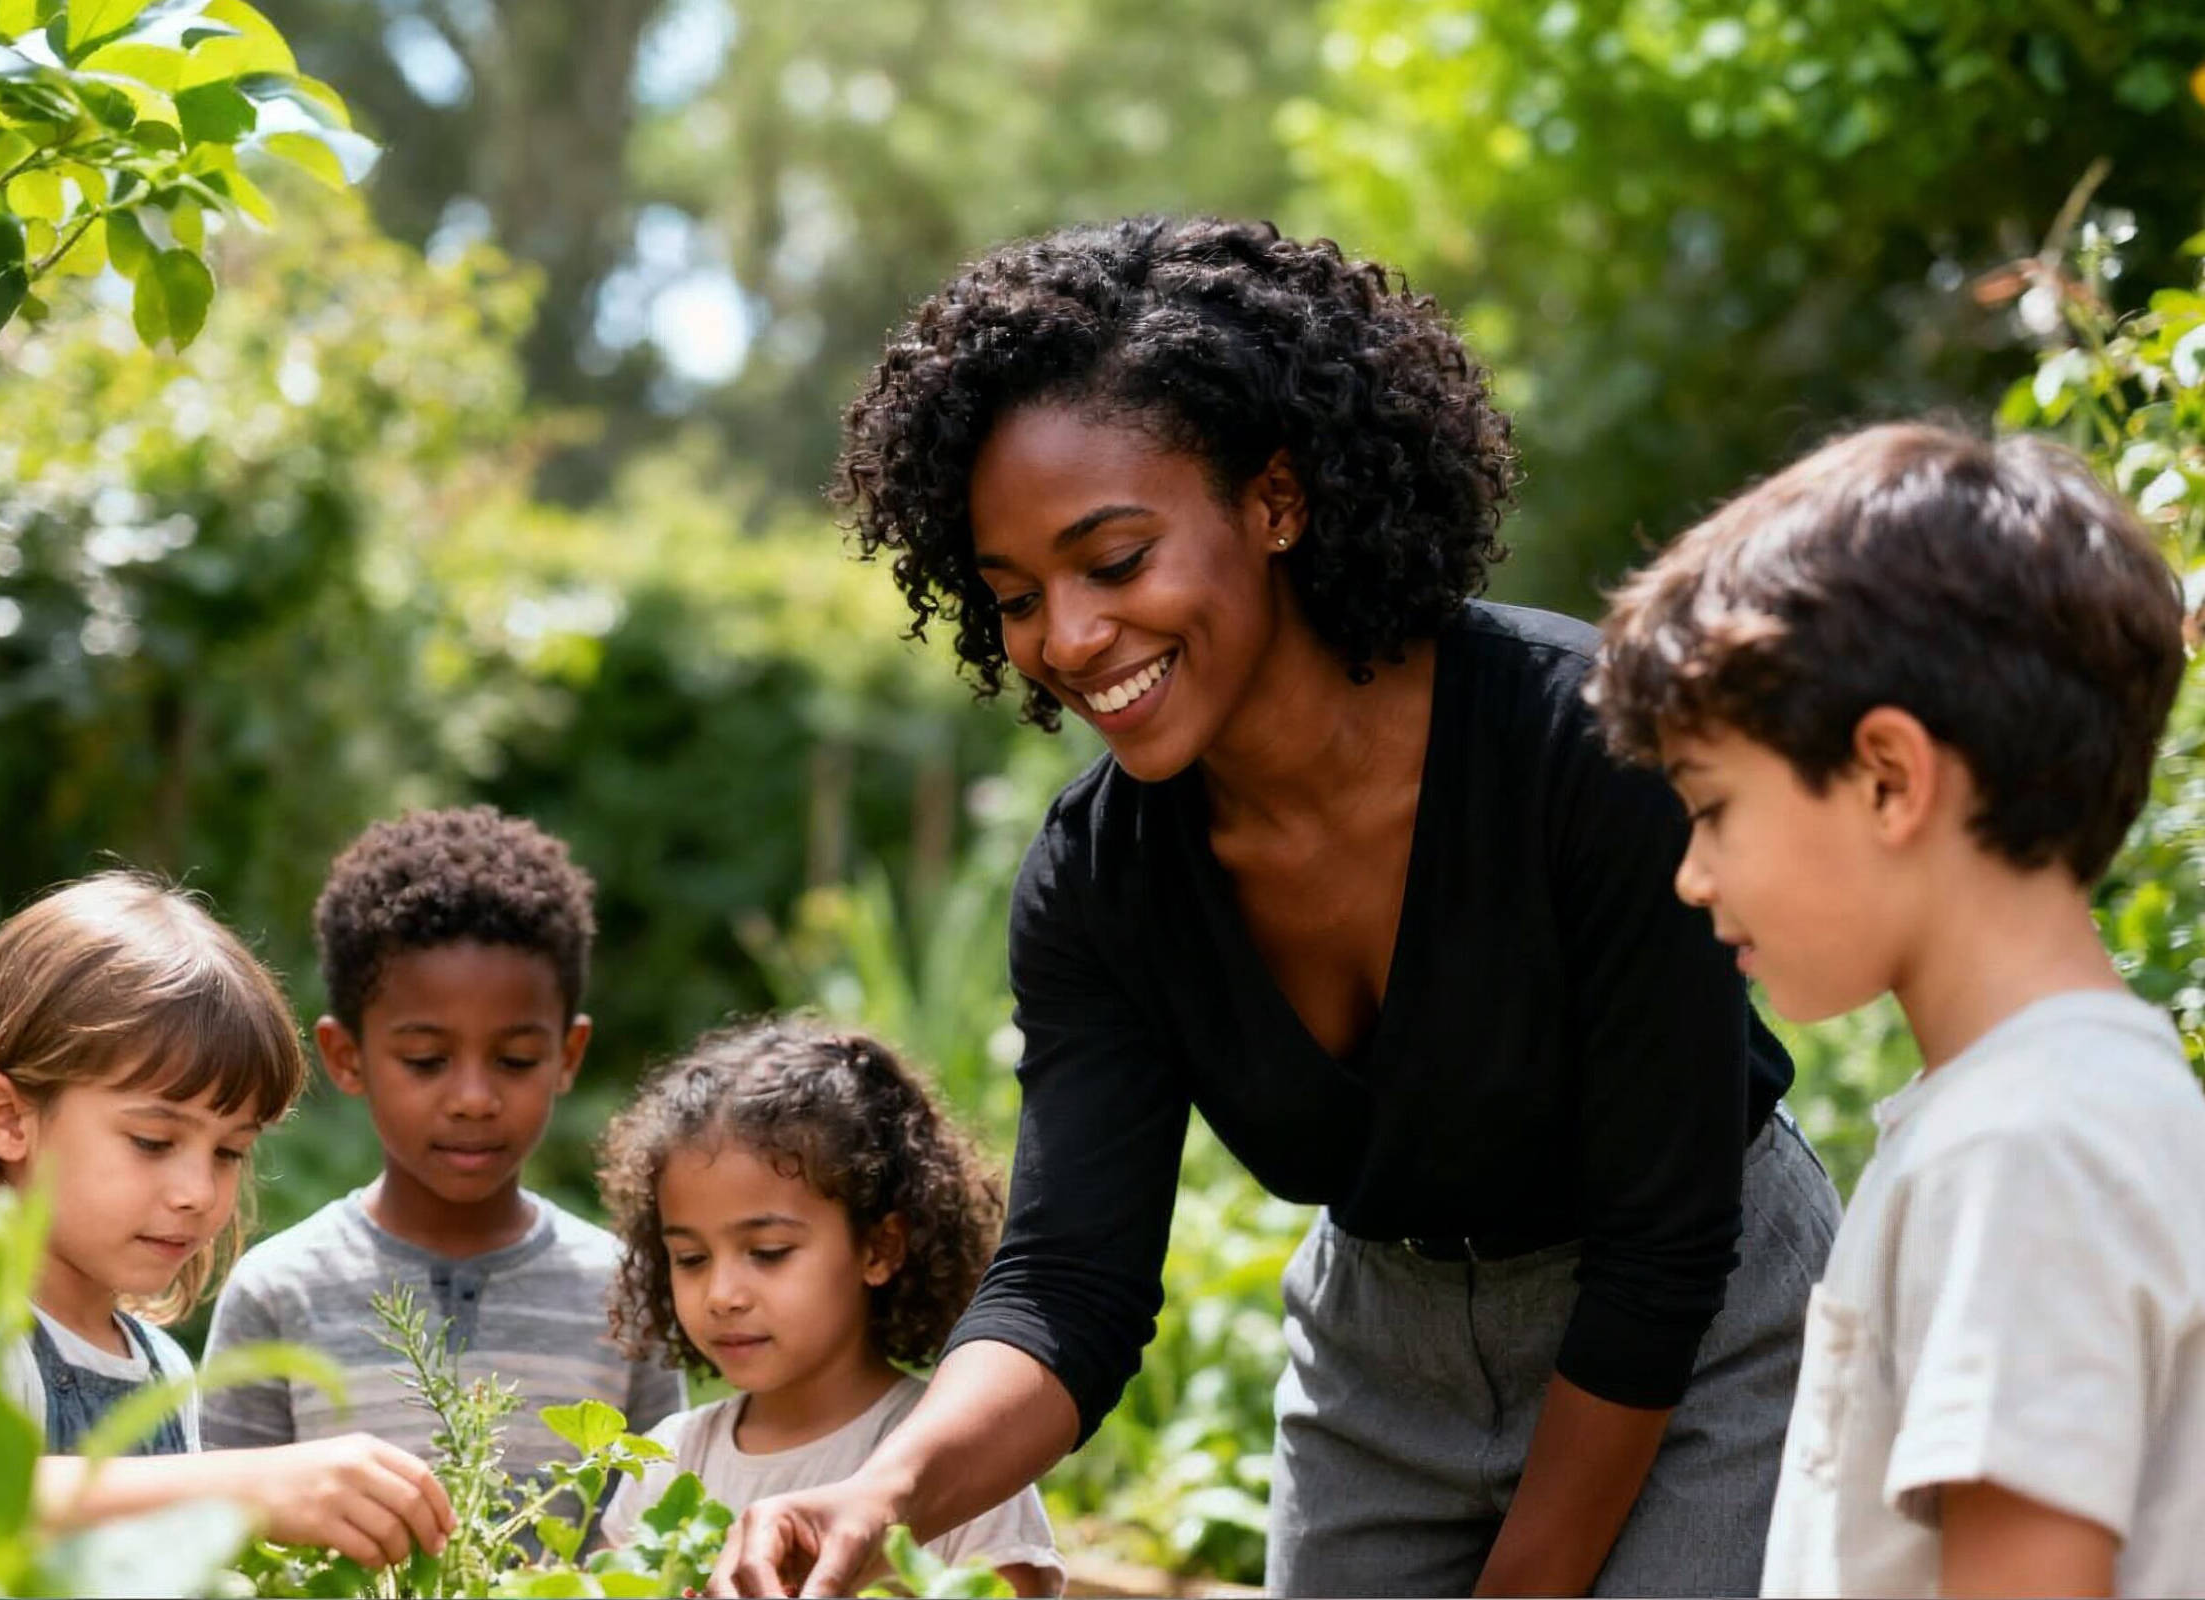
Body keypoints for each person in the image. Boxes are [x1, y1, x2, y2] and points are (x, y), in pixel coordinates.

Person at [712, 215, 1839, 1599]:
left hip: (1704, 1329)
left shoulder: (1588, 751)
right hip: (1387, 1365)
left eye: (1115, 561)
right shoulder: (1100, 884)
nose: (1066, 639)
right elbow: (1073, 1282)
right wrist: (882, 1489)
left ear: (1278, 500)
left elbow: (1664, 1251)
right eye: (1015, 596)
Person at [1586, 421, 2205, 1597]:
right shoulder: (2041, 1112)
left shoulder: (2027, 1148)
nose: (1691, 874)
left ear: (1888, 776)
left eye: (1713, 808)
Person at [0, 872, 455, 1569]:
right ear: (7, 1119)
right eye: (153, 1142)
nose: (198, 1191)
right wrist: (249, 1485)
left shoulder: (161, 1368)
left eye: (230, 1151)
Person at [204, 806, 683, 1482]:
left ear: (568, 1054)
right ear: (346, 1057)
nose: (473, 1098)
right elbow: (224, 1535)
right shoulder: (279, 1292)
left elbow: (656, 1532)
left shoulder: (626, 1295)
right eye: (426, 1060)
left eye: (515, 1060)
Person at [596, 1018, 1063, 1597]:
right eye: (690, 1258)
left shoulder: (960, 1456)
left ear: (879, 1246)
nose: (721, 1295)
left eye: (768, 1253)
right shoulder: (665, 1459)